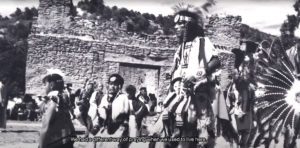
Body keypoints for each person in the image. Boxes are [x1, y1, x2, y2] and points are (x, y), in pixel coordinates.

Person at [91, 74, 131, 148]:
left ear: (120, 86)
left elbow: (126, 117)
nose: (112, 86)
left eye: (115, 84)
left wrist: (124, 134)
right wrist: (96, 126)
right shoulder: (105, 98)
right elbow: (101, 115)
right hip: (105, 130)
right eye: (111, 84)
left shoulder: (124, 98)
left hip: (118, 131)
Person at [39, 69, 76, 148]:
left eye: (45, 84)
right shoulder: (63, 99)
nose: (44, 87)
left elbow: (45, 128)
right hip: (67, 141)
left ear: (51, 85)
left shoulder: (51, 101)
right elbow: (70, 123)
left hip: (54, 143)